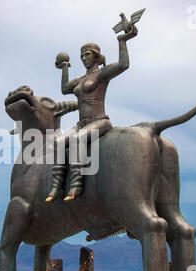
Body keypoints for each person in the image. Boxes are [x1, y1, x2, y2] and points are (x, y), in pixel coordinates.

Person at [45, 25, 138, 203]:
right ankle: (56, 186)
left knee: (77, 139)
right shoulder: (80, 80)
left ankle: (76, 185)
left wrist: (122, 41)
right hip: (82, 123)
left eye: (87, 54)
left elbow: (123, 65)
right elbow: (65, 89)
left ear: (96, 56)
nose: (83, 58)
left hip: (99, 121)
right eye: (81, 56)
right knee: (58, 143)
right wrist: (65, 67)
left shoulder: (102, 74)